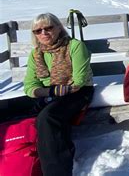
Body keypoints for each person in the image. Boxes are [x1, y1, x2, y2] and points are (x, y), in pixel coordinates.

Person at [23, 13, 94, 176]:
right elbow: (29, 85)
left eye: (48, 28)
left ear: (58, 28)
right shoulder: (36, 54)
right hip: (51, 92)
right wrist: (48, 92)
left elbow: (79, 80)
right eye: (38, 31)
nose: (44, 33)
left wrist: (53, 93)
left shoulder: (75, 46)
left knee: (48, 117)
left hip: (78, 92)